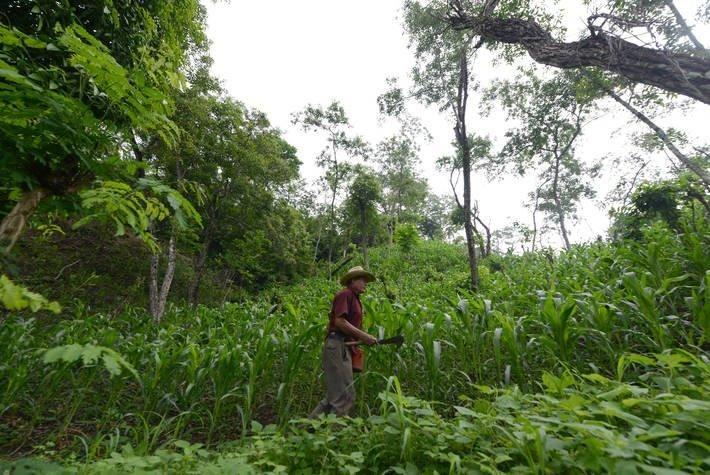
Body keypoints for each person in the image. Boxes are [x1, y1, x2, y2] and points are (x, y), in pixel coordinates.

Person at [309, 266, 378, 417]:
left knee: (337, 395)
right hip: (336, 345)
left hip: (344, 346)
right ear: (352, 280)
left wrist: (359, 340)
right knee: (344, 396)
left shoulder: (354, 298)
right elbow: (339, 322)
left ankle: (305, 430)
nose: (365, 283)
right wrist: (363, 336)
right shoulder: (345, 294)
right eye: (362, 280)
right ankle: (334, 434)